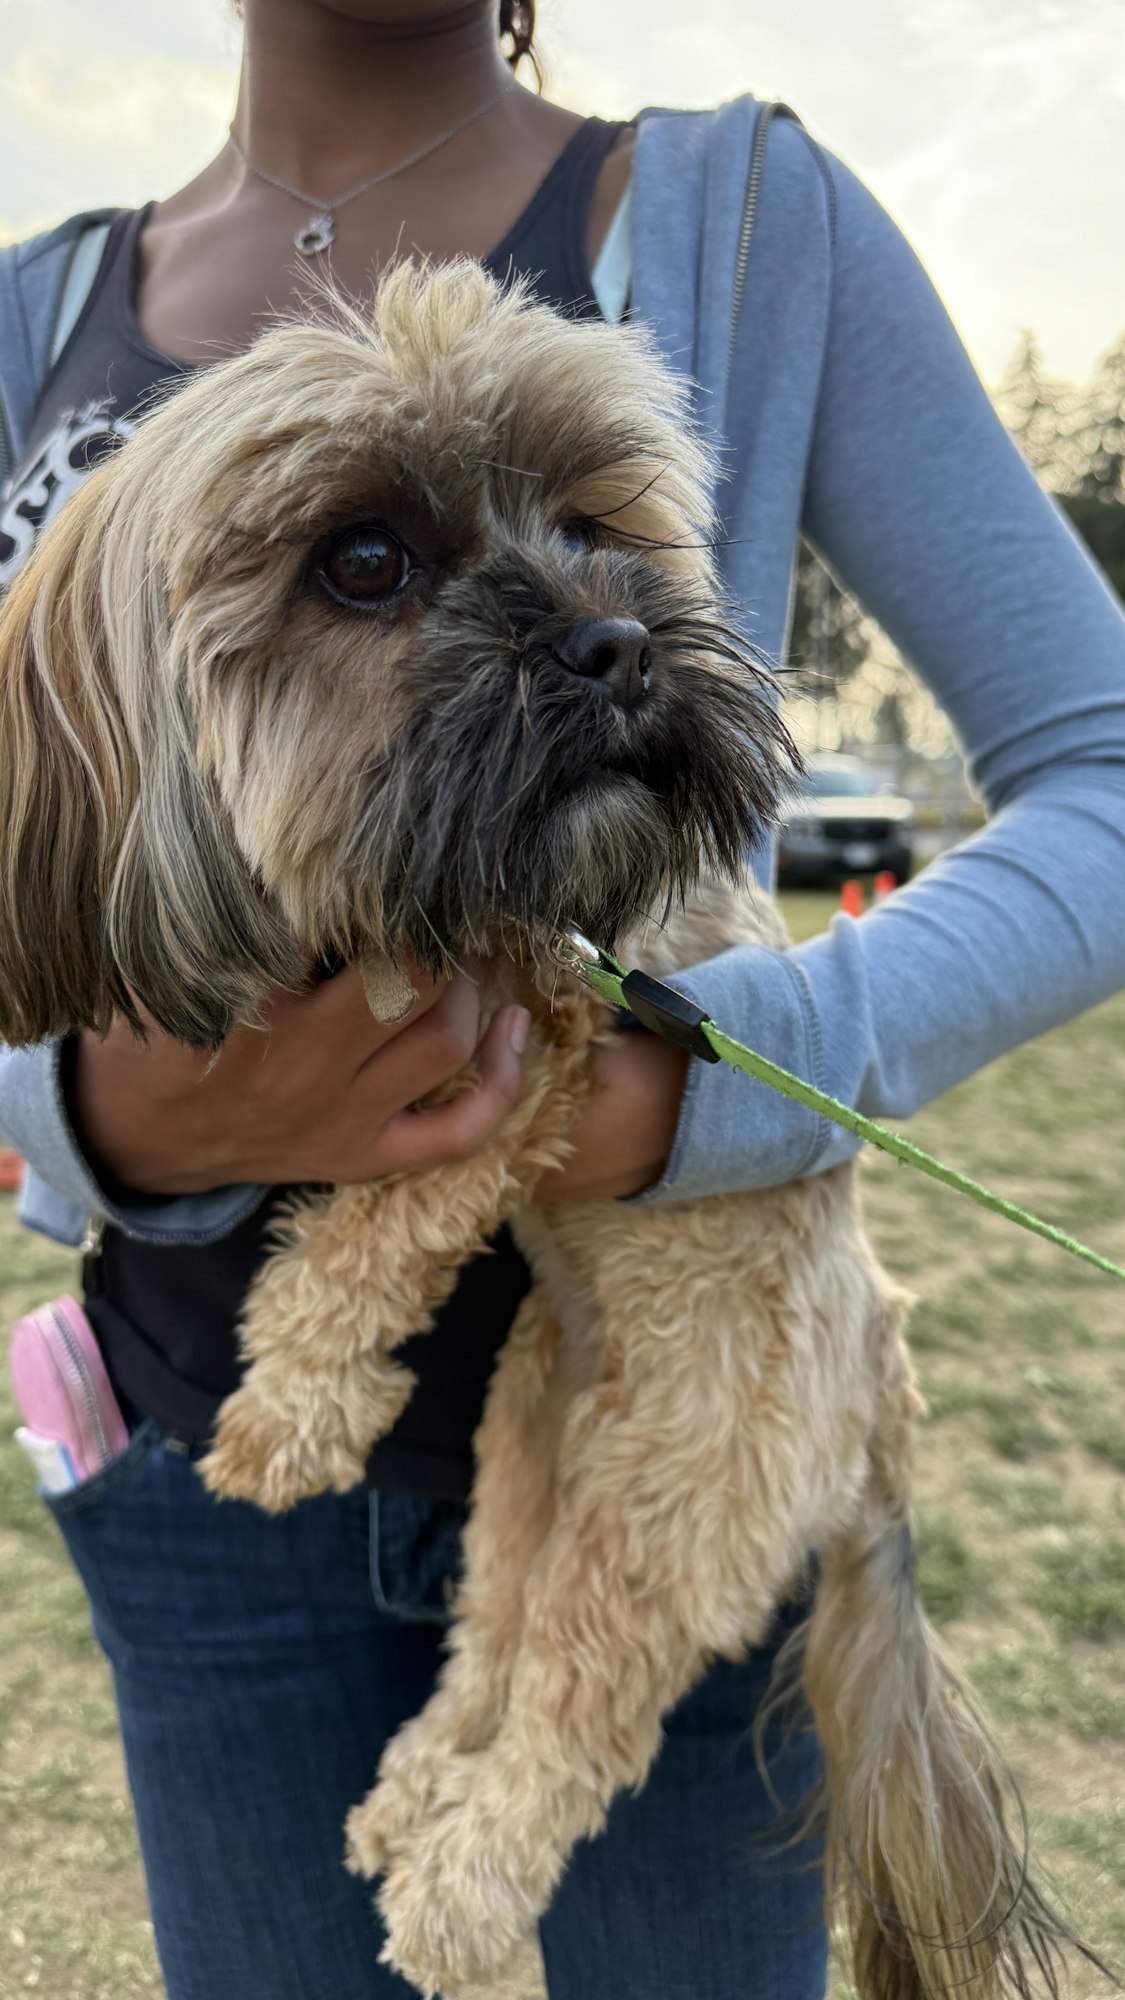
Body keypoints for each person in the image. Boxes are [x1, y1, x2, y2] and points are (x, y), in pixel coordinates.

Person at [1, 4, 1124, 1996]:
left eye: (599, 532)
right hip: (208, 1482)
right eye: (367, 559)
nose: (586, 631)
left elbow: (1103, 774)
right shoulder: (37, 312)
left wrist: (705, 1091)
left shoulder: (751, 219)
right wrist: (101, 1121)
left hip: (657, 1453)